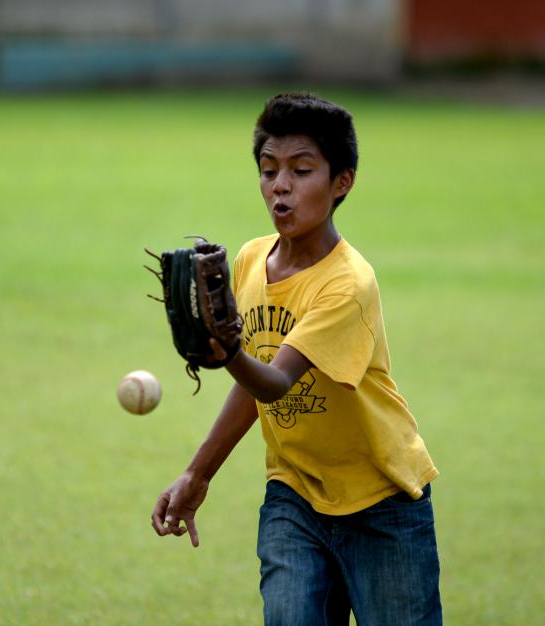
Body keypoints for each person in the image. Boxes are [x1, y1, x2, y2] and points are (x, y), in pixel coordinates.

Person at [151, 92, 442, 626]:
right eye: (268, 170)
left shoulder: (348, 284)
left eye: (301, 170)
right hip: (295, 495)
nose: (279, 185)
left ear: (341, 182)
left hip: (382, 502)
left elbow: (275, 382)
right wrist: (197, 474)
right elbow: (254, 380)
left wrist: (229, 351)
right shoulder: (248, 260)